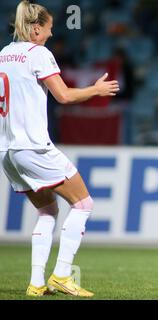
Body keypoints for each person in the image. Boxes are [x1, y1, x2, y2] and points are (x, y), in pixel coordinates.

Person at [0, 0, 119, 297]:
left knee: (48, 210)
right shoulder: (38, 53)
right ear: (36, 28)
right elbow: (63, 96)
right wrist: (96, 89)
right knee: (83, 204)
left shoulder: (4, 53)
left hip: (7, 150)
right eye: (49, 29)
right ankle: (62, 275)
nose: (51, 35)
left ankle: (37, 282)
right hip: (34, 147)